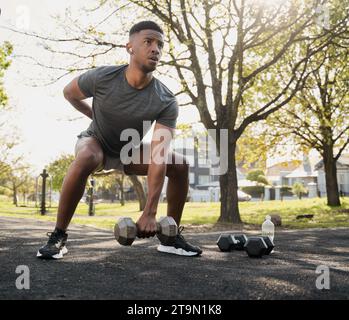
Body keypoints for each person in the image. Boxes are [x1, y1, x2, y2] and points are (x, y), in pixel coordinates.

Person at [37, 20, 202, 259]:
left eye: (160, 45)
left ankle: (170, 236)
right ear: (130, 47)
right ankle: (58, 236)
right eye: (148, 42)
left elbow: (158, 154)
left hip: (128, 151)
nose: (156, 49)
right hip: (96, 141)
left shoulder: (166, 100)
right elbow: (69, 93)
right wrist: (93, 115)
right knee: (86, 156)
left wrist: (149, 212)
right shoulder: (102, 77)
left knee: (180, 164)